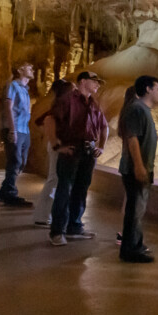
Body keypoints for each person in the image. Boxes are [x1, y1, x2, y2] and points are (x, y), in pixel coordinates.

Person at [49, 70, 109, 247]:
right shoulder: (68, 99)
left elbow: (104, 126)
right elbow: (50, 120)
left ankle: (74, 227)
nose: (97, 84)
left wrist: (101, 146)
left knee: (81, 189)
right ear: (83, 81)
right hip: (72, 149)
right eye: (94, 80)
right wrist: (57, 146)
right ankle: (57, 231)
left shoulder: (94, 103)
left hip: (88, 151)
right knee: (64, 189)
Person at [118, 76, 158, 263]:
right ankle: (130, 250)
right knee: (135, 210)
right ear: (148, 89)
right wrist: (138, 165)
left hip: (142, 167)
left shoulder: (143, 109)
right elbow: (132, 138)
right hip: (135, 168)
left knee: (138, 209)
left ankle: (135, 243)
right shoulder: (136, 109)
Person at [32, 79, 74, 226]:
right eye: (73, 89)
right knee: (54, 179)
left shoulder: (60, 106)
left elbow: (39, 122)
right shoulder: (58, 108)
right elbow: (43, 121)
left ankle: (45, 214)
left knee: (55, 179)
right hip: (58, 146)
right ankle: (42, 216)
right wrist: (53, 138)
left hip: (58, 144)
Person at [0, 62, 35, 207]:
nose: (32, 70)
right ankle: (10, 195)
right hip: (15, 128)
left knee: (22, 161)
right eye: (29, 68)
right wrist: (12, 130)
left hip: (25, 130)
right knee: (15, 161)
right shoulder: (13, 85)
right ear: (20, 70)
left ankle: (4, 191)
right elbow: (9, 107)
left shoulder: (25, 89)